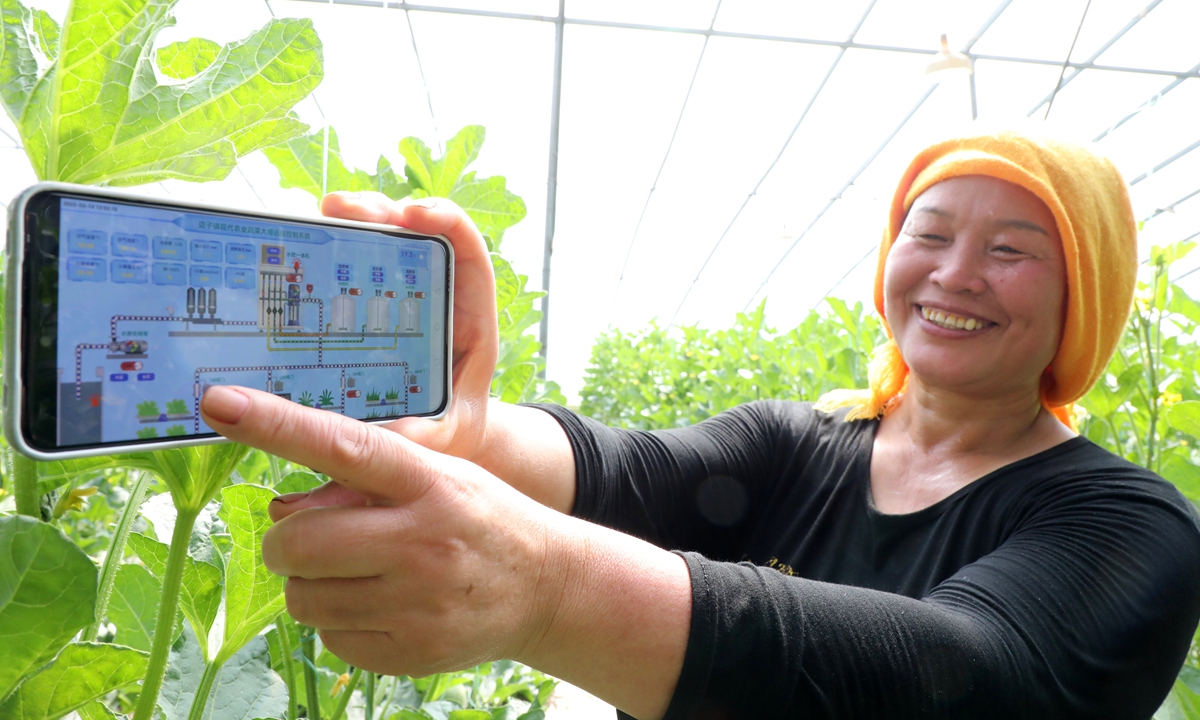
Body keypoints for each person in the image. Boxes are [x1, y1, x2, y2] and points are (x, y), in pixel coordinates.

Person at [199, 131, 1200, 719]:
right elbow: (625, 473)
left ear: (1088, 296)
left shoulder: (1132, 525)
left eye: (1012, 249)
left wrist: (544, 588)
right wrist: (455, 425)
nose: (953, 272)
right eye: (928, 235)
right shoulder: (799, 442)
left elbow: (967, 675)